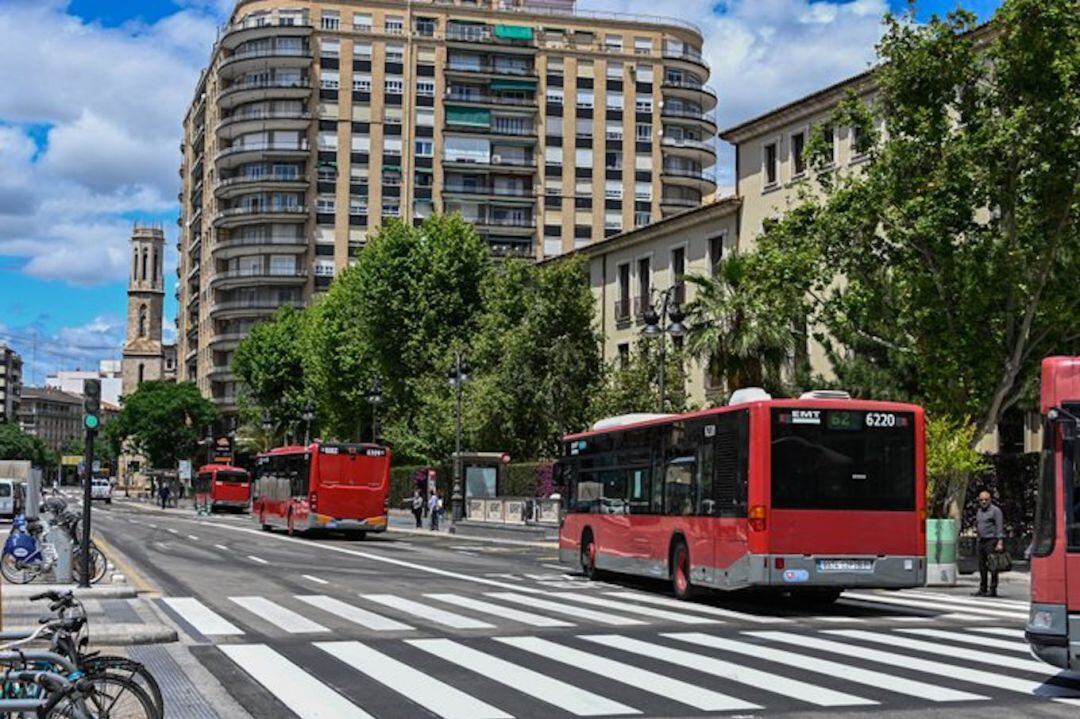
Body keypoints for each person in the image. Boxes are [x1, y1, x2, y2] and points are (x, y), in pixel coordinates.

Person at [973, 490, 1005, 597]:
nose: (983, 502)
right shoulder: (979, 511)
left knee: (993, 566)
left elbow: (999, 526)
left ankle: (993, 589)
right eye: (981, 500)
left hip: (992, 540)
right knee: (982, 566)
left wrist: (1000, 542)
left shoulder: (996, 511)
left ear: (990, 499)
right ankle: (983, 588)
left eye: (986, 500)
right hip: (981, 540)